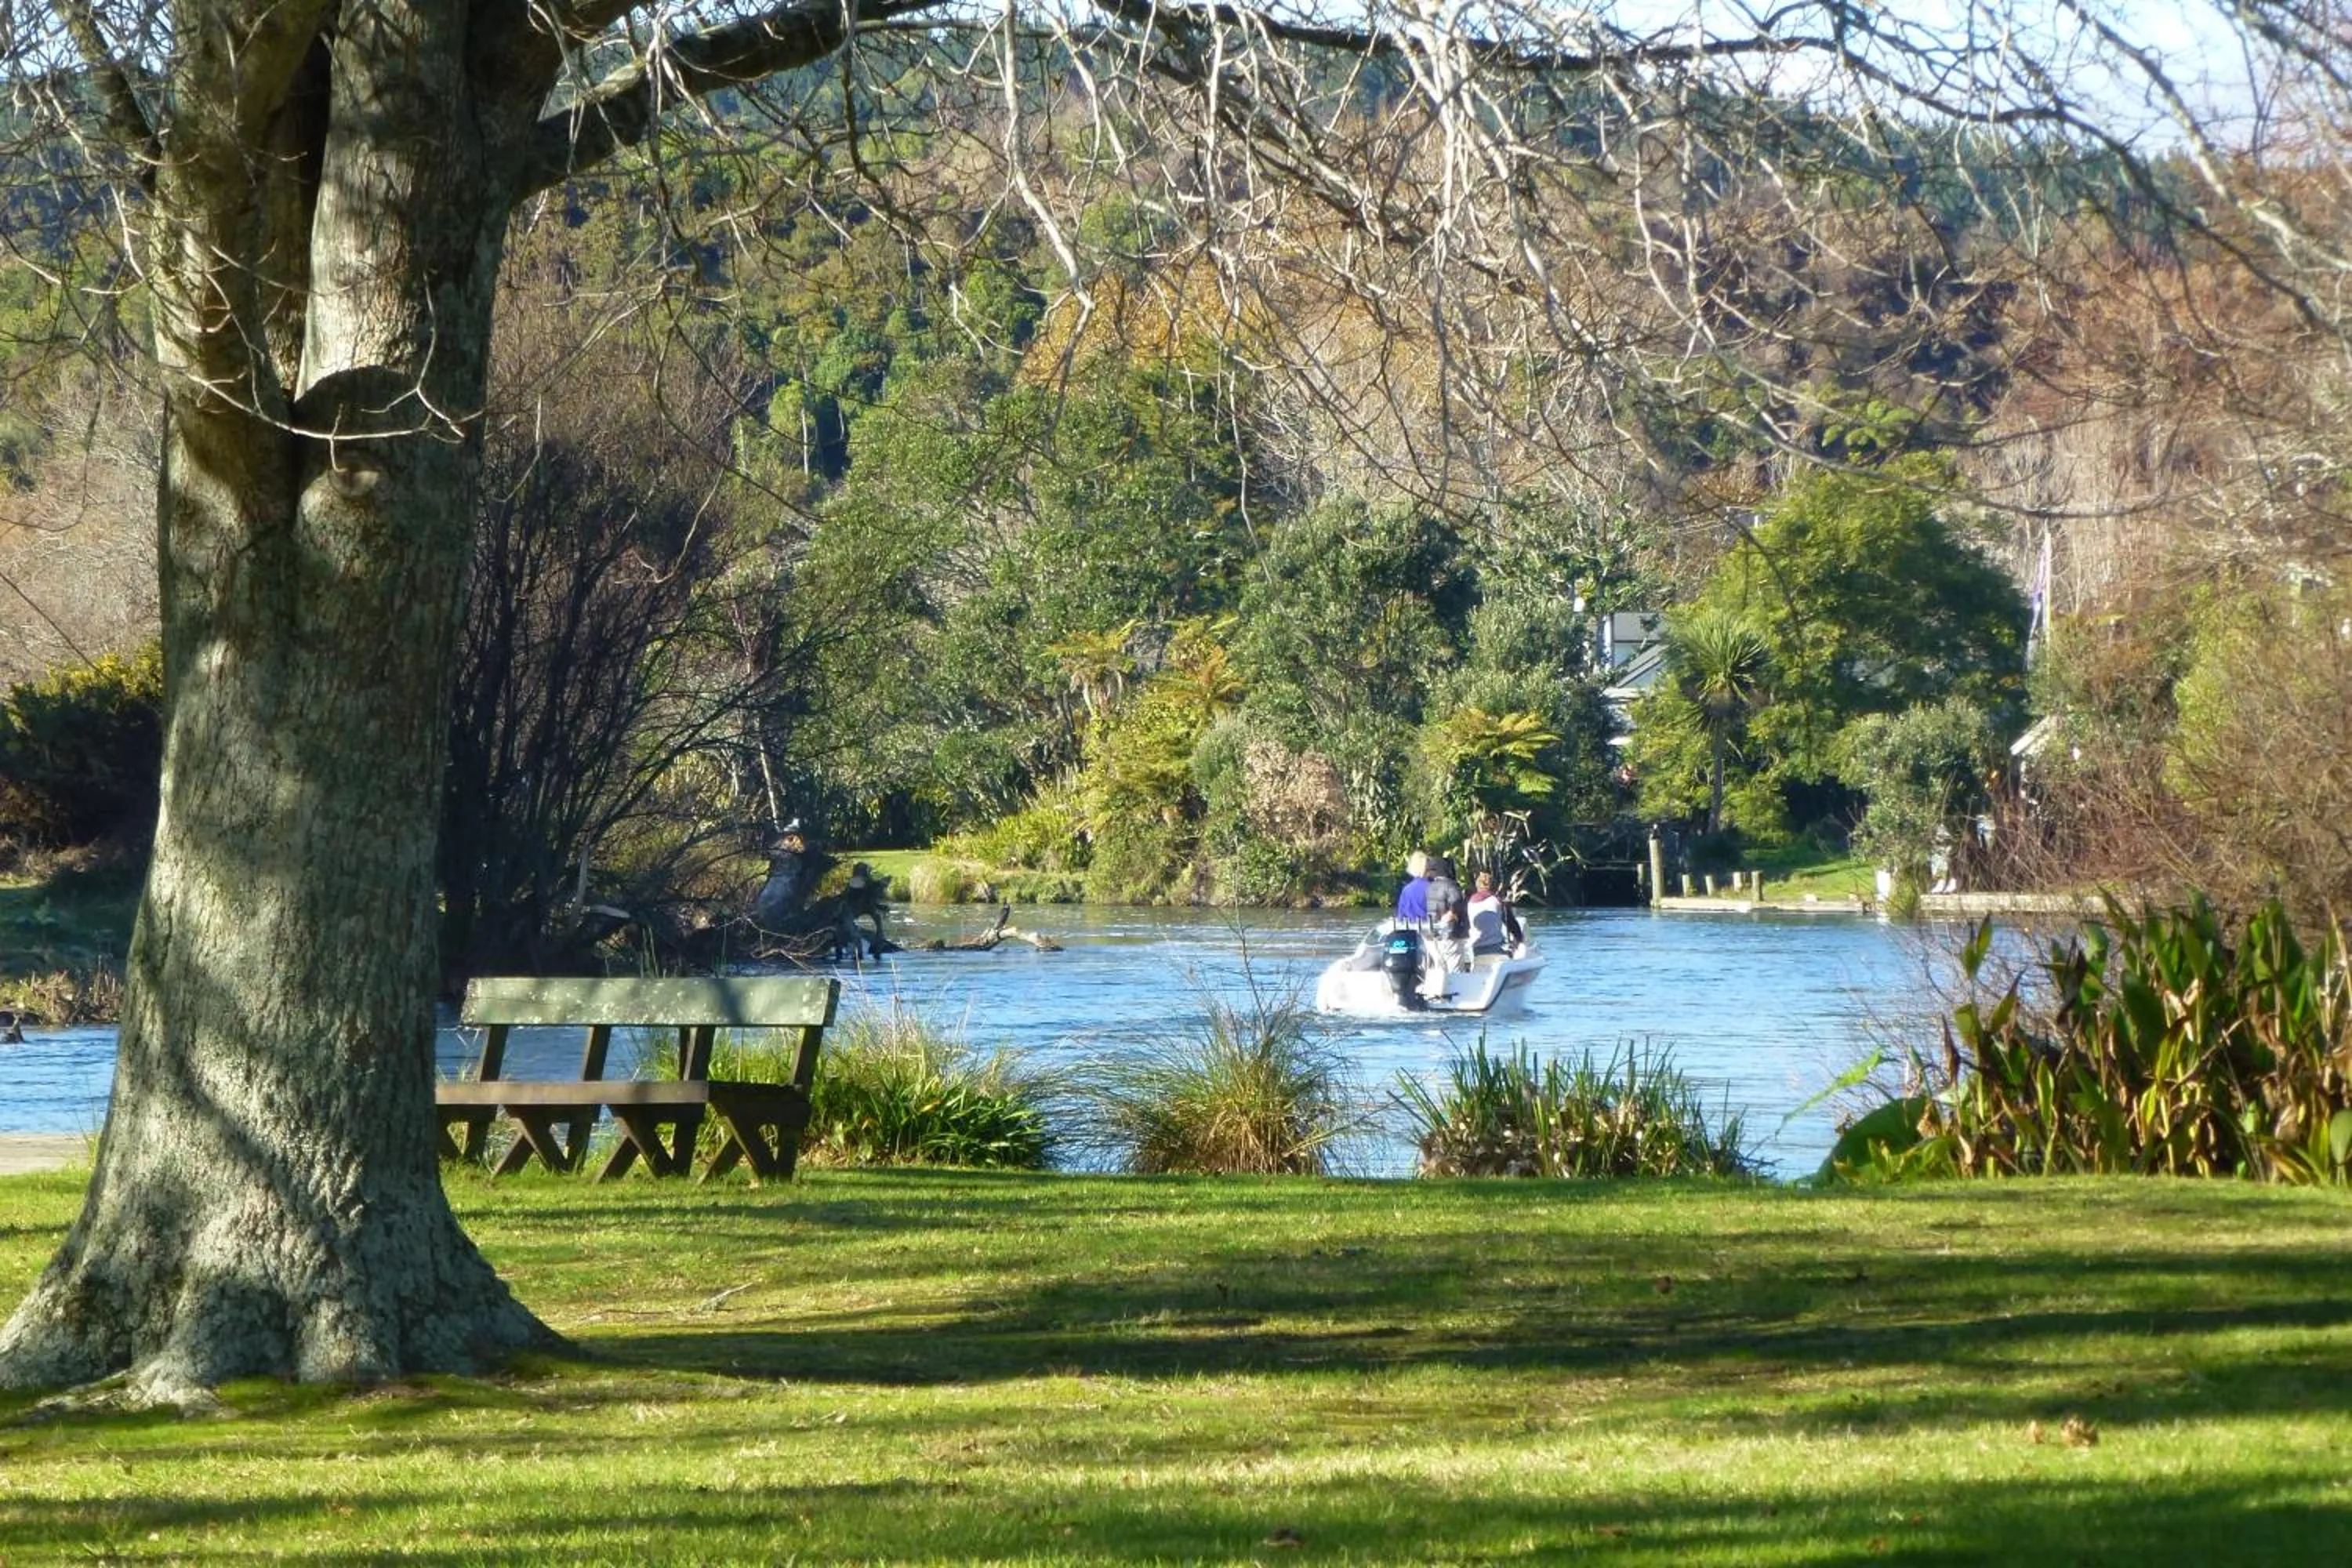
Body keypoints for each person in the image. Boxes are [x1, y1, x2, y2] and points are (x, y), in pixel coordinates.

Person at [1422, 855, 1470, 989]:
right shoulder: (1451, 886)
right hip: (1450, 934)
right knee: (1455, 969)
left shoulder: (1430, 887)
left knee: (1440, 968)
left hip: (1432, 934)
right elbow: (1458, 902)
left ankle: (1438, 996)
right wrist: (1453, 913)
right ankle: (1458, 996)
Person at [1467, 870, 1524, 955]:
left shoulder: (1469, 903)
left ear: (1477, 886)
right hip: (1495, 947)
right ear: (1493, 886)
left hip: (1474, 948)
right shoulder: (1498, 901)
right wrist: (1519, 941)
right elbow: (1512, 925)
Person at [1394, 850, 1431, 924]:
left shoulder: (1406, 890)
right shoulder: (1432, 887)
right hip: (1428, 929)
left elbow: (1401, 916)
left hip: (1410, 930)